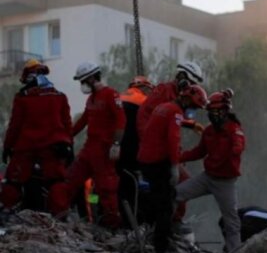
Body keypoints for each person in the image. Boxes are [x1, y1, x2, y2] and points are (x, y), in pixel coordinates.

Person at [137, 84, 208, 253]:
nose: (191, 110)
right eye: (192, 107)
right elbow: (173, 139)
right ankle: (160, 249)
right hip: (157, 163)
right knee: (166, 206)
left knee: (153, 202)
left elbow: (169, 123)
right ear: (186, 99)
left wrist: (191, 124)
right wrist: (175, 166)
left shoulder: (164, 106)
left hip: (145, 161)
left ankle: (150, 237)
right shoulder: (175, 111)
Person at [176, 89, 246, 253]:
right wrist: (178, 157)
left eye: (217, 111)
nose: (214, 114)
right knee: (175, 195)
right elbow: (199, 152)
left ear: (225, 111)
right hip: (207, 178)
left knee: (232, 223)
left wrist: (236, 149)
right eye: (211, 111)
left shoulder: (234, 130)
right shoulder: (209, 131)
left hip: (225, 183)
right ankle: (168, 232)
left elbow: (239, 144)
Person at [1, 59, 72, 215]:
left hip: (26, 147)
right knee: (57, 181)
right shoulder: (59, 96)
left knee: (13, 181)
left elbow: (15, 125)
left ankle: (6, 211)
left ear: (29, 76)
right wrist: (69, 146)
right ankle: (61, 216)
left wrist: (7, 147)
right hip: (54, 148)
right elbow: (67, 124)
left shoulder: (23, 97)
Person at [61, 62, 126, 228]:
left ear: (91, 78)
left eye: (83, 81)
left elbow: (121, 120)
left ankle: (112, 226)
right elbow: (83, 122)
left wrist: (116, 144)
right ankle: (59, 213)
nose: (82, 85)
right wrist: (64, 137)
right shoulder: (91, 99)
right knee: (70, 179)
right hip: (90, 149)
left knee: (106, 189)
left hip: (104, 151)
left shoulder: (111, 94)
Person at [117, 76, 154, 227]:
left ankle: (121, 221)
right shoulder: (146, 101)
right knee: (141, 189)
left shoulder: (119, 98)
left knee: (121, 187)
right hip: (137, 152)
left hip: (117, 150)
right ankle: (141, 223)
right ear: (145, 88)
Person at [137, 61, 204, 137]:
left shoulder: (180, 97)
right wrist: (146, 137)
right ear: (182, 78)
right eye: (191, 83)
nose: (191, 88)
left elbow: (175, 118)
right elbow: (145, 113)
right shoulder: (164, 90)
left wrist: (192, 124)